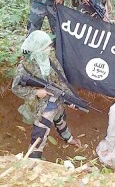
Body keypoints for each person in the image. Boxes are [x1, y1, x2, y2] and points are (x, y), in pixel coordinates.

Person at [12, 30, 81, 159]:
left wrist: (72, 99)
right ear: (37, 49)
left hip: (56, 100)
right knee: (40, 132)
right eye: (46, 47)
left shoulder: (51, 60)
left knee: (60, 118)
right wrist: (36, 92)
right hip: (40, 105)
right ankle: (34, 159)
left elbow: (62, 80)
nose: (50, 49)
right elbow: (15, 88)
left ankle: (68, 137)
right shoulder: (26, 66)